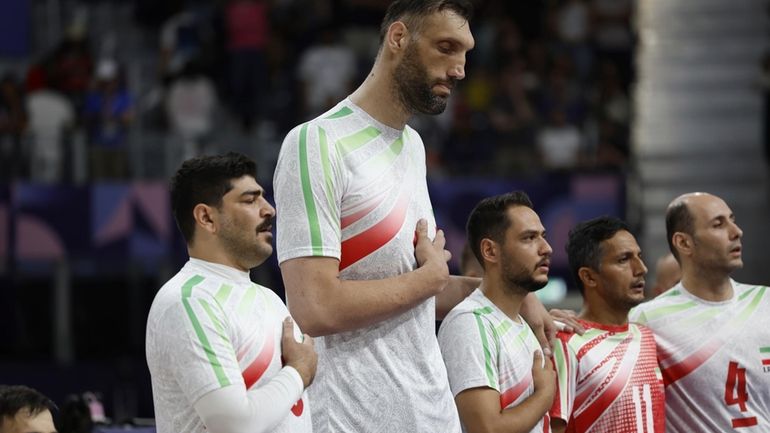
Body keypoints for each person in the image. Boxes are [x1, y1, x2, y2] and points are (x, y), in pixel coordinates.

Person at [273, 1, 565, 431]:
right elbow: (313, 306)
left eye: (465, 53)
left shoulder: (412, 147)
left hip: (430, 413)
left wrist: (509, 296)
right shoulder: (316, 143)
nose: (460, 69)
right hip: (353, 418)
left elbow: (412, 295)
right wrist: (426, 280)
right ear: (398, 38)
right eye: (446, 47)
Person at [145, 152, 317, 433]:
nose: (269, 209)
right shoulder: (188, 301)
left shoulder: (269, 299)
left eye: (263, 197)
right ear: (206, 217)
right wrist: (298, 372)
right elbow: (234, 426)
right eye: (250, 200)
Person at [629, 192, 770, 432]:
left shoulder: (765, 301)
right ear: (684, 243)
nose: (736, 231)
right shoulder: (646, 320)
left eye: (732, 220)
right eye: (718, 224)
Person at [438, 191, 556, 433]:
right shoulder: (470, 322)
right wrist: (544, 395)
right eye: (529, 238)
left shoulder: (522, 323)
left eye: (543, 236)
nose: (546, 248)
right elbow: (487, 428)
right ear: (490, 251)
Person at [550, 216, 664, 433]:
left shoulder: (646, 336)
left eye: (639, 256)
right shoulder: (566, 342)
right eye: (623, 259)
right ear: (589, 277)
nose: (641, 268)